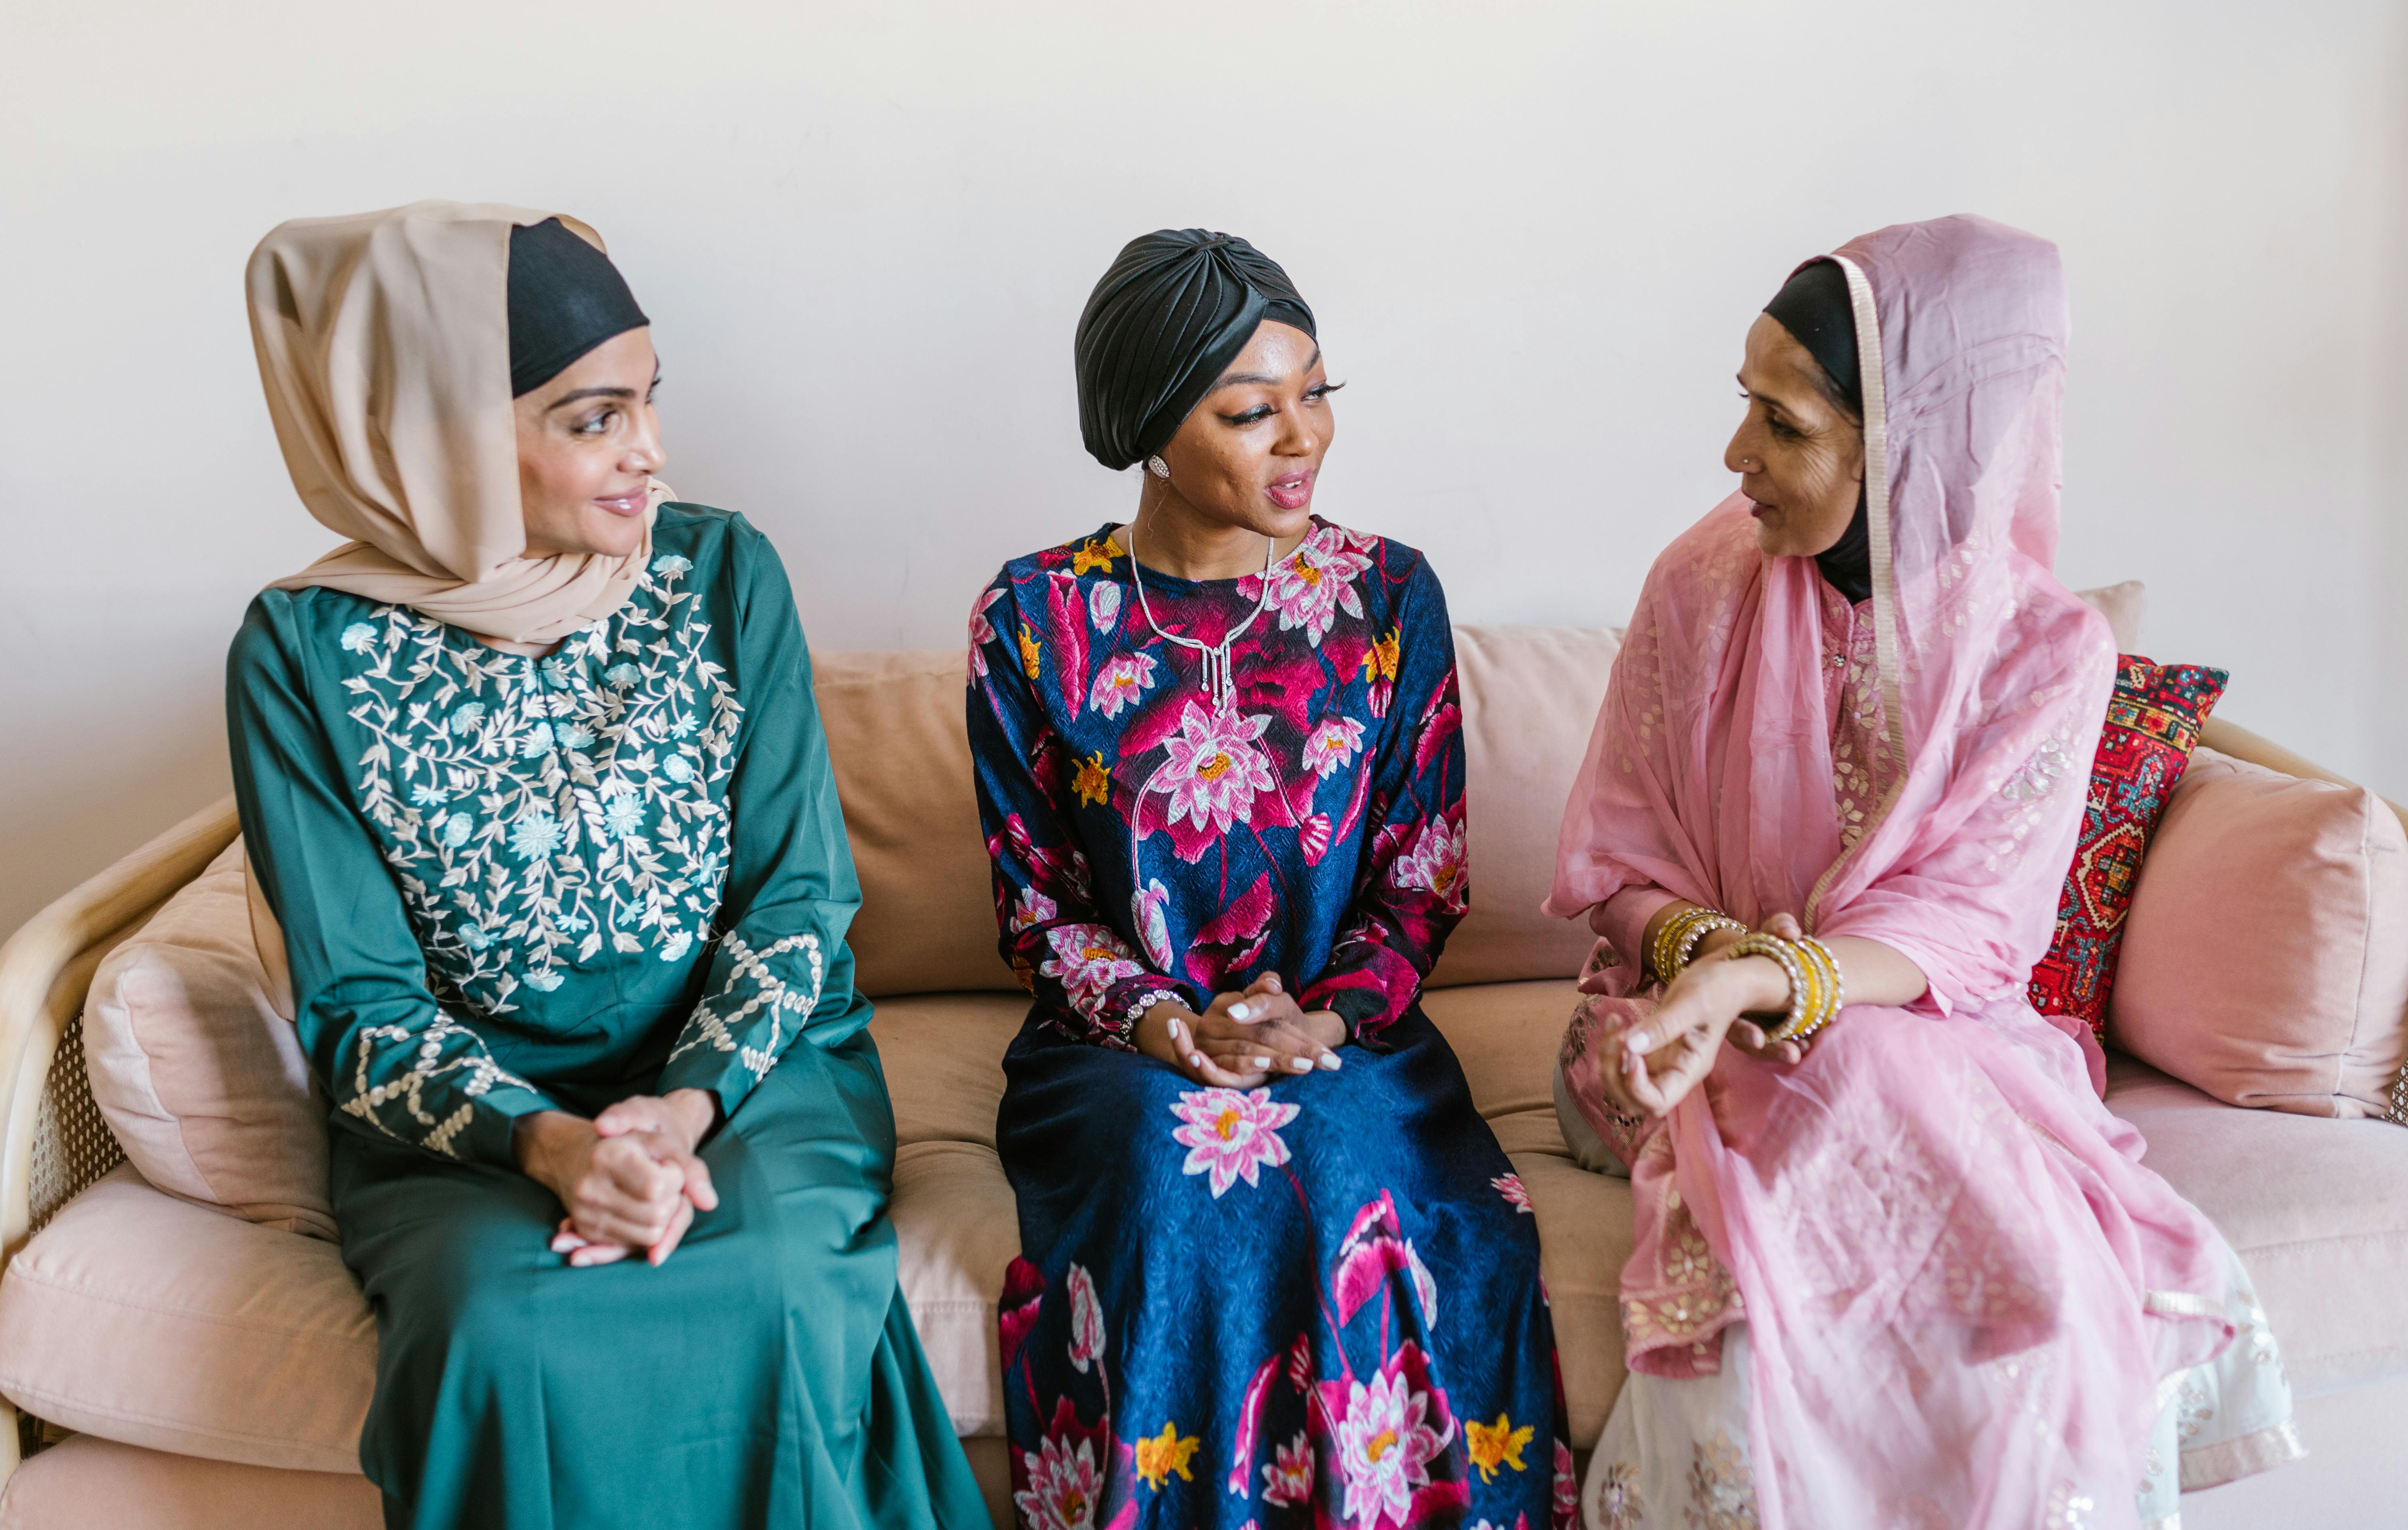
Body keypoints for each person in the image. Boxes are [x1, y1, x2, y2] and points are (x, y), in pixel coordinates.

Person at [227, 202, 988, 1530]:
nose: (652, 457)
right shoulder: (302, 655)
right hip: (471, 1129)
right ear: (444, 438)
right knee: (500, 1338)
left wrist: (680, 1114)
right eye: (594, 419)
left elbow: (799, 902)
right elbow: (357, 1004)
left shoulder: (722, 572)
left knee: (780, 1289)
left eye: (648, 405)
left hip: (754, 1081)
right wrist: (552, 1146)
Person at [1547, 215, 2298, 1530]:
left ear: (1906, 437)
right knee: (1865, 1077)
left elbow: (1967, 935)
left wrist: (1768, 984)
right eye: (1747, 408)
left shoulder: (2044, 653)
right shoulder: (1698, 585)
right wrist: (1706, 976)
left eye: (1784, 425)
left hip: (1927, 1035)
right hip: (1658, 1039)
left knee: (1872, 1063)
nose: (1738, 457)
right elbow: (1620, 864)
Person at [967, 229, 1572, 1530]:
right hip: (1117, 1048)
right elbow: (1038, 904)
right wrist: (1164, 1024)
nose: (1302, 438)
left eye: (1317, 396)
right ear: (1149, 429)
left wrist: (1326, 1018)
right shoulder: (1031, 618)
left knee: (1335, 1158)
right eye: (1253, 411)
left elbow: (1421, 877)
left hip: (1347, 1036)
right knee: (1183, 1168)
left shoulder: (1389, 596)